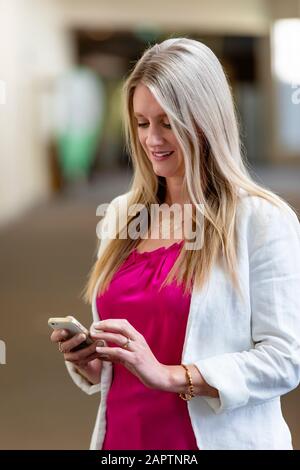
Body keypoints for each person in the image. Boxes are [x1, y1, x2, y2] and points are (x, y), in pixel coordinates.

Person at [50, 38, 300, 450]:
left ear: (205, 119)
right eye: (142, 123)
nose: (152, 139)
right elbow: (131, 361)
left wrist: (171, 376)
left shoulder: (261, 221)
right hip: (124, 440)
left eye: (167, 122)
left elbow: (283, 360)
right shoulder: (121, 214)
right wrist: (94, 363)